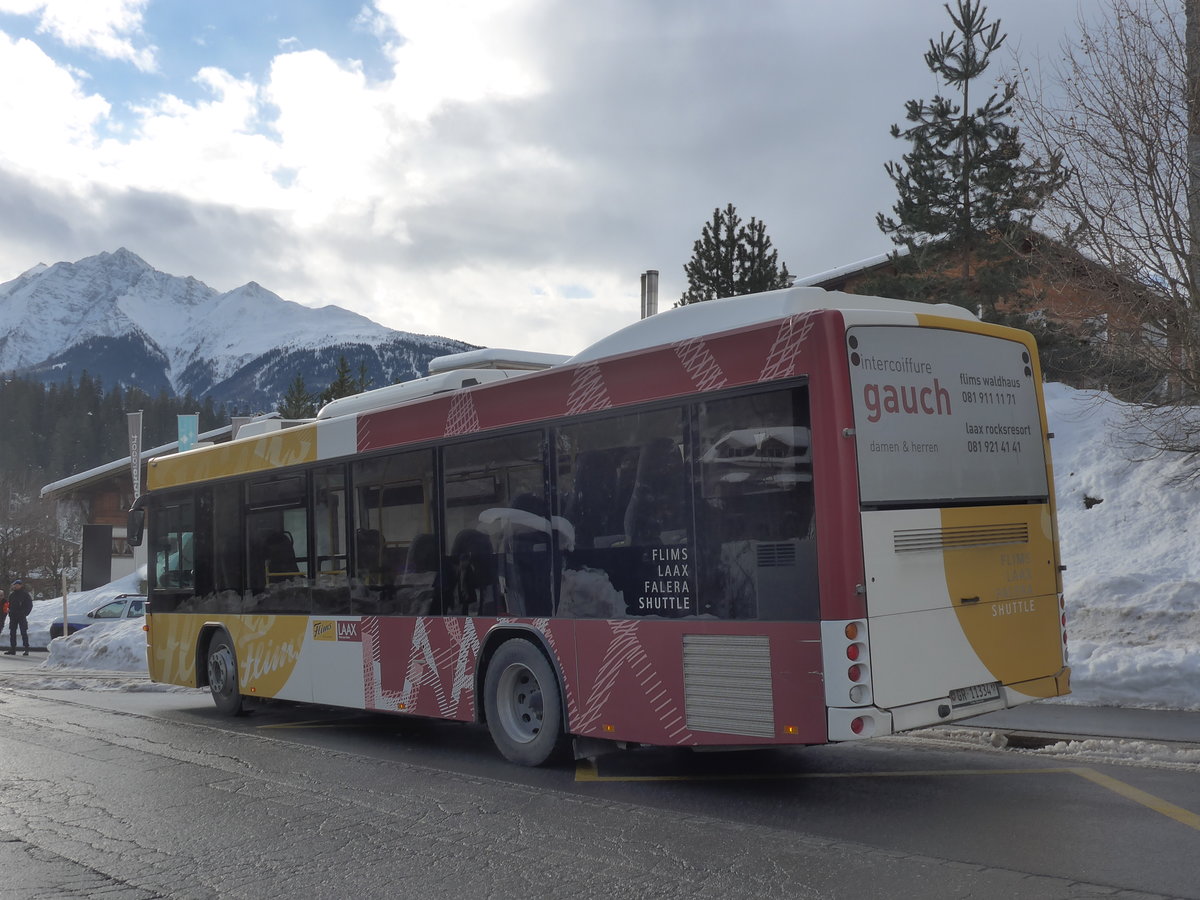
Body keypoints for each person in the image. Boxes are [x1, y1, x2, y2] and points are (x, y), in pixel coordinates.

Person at [5, 579, 33, 656]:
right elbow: (9, 605)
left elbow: (29, 605)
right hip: (13, 616)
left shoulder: (25, 594)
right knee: (12, 632)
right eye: (14, 585)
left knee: (23, 632)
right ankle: (12, 649)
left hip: (21, 616)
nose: (15, 586)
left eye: (17, 585)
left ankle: (26, 648)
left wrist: (25, 613)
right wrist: (9, 613)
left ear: (21, 585)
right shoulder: (12, 595)